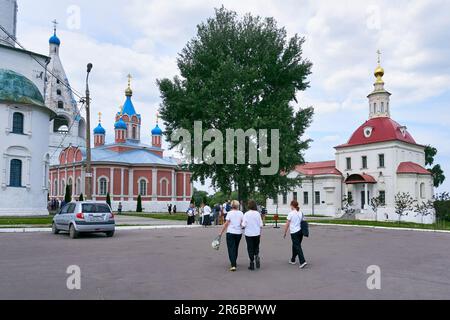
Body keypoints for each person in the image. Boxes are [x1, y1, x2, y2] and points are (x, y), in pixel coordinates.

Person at [219, 200, 244, 272]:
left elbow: (226, 224)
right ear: (238, 205)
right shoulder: (241, 213)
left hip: (230, 232)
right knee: (236, 248)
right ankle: (234, 261)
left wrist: (221, 232)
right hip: (238, 233)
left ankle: (233, 264)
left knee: (231, 248)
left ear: (231, 205)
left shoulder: (229, 213)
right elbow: (242, 224)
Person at [283, 200, 308, 269]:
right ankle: (293, 259)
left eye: (290, 205)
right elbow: (304, 221)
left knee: (297, 246)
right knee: (295, 245)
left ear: (292, 205)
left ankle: (302, 261)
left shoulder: (290, 213)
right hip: (300, 232)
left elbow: (287, 224)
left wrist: (285, 232)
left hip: (294, 232)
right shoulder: (301, 212)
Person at [242, 200, 263, 271]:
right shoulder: (258, 214)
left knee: (250, 248)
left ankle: (251, 263)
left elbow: (243, 225)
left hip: (249, 234)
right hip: (257, 233)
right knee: (256, 246)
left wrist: (241, 225)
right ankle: (256, 255)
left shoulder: (246, 214)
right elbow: (261, 225)